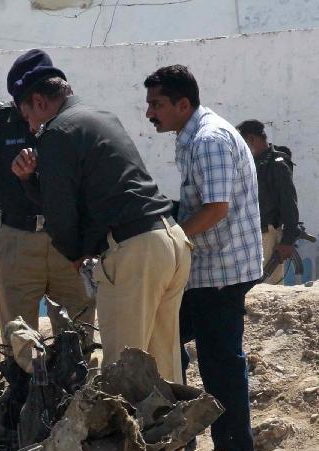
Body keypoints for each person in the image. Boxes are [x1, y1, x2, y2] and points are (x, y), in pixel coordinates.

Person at [10, 51, 191, 386]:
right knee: (162, 368)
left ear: (38, 101)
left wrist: (76, 256)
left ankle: (133, 440)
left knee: (123, 373)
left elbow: (61, 216)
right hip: (169, 242)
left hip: (134, 253)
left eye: (26, 116)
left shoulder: (58, 132)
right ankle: (175, 441)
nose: (30, 127)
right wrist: (32, 181)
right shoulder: (100, 117)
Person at [144, 64, 262, 451]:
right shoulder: (191, 135)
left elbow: (216, 209)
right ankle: (185, 437)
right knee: (166, 341)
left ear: (182, 103)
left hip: (222, 268)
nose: (149, 114)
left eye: (156, 105)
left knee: (220, 360)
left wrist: (172, 239)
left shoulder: (209, 139)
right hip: (208, 265)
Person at [0, 50, 92, 334]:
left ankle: (77, 380)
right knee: (18, 338)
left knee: (80, 333)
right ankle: (23, 380)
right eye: (18, 101)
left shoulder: (74, 120)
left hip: (68, 242)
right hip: (17, 241)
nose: (26, 113)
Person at [237, 119, 300, 285]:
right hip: (250, 236)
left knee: (267, 292)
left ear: (251, 139)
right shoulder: (253, 163)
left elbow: (289, 204)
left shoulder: (276, 164)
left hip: (267, 237)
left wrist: (287, 241)